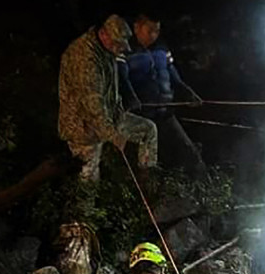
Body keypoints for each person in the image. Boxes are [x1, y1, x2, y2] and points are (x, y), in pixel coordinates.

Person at [58, 14, 158, 183]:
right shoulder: (84, 57)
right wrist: (113, 135)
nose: (120, 48)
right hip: (84, 127)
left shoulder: (106, 50)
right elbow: (93, 105)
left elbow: (112, 90)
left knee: (148, 130)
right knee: (89, 180)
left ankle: (147, 182)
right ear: (104, 34)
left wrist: (119, 109)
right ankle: (83, 207)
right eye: (117, 44)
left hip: (109, 119)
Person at [119, 12, 206, 176]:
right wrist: (130, 98)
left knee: (191, 156)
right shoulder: (125, 50)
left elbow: (172, 74)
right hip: (142, 118)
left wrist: (186, 92)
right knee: (148, 166)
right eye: (150, 30)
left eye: (157, 31)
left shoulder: (161, 48)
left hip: (166, 115)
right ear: (137, 27)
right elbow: (122, 79)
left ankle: (205, 195)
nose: (153, 35)